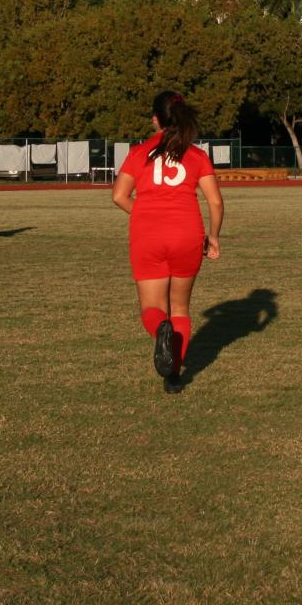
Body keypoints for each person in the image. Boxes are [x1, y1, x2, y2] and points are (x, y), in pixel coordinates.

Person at [112, 91, 224, 393]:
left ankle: (160, 329)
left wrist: (147, 213)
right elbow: (215, 202)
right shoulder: (197, 155)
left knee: (153, 309)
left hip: (147, 234)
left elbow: (119, 196)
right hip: (187, 233)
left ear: (155, 119)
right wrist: (212, 237)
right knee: (180, 309)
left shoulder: (139, 153)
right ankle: (173, 378)